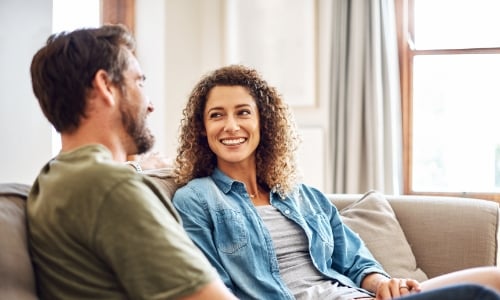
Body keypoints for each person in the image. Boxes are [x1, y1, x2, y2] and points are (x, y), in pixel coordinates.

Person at [171, 64, 500, 300]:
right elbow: (213, 286)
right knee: (475, 294)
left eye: (243, 112)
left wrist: (381, 283)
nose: (231, 125)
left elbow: (355, 261)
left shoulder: (303, 197)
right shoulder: (197, 200)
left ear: (263, 123)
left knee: (495, 279)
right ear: (202, 128)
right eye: (217, 115)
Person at [27, 24, 236, 300]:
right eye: (139, 82)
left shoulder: (53, 176)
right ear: (106, 86)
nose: (150, 105)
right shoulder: (109, 187)